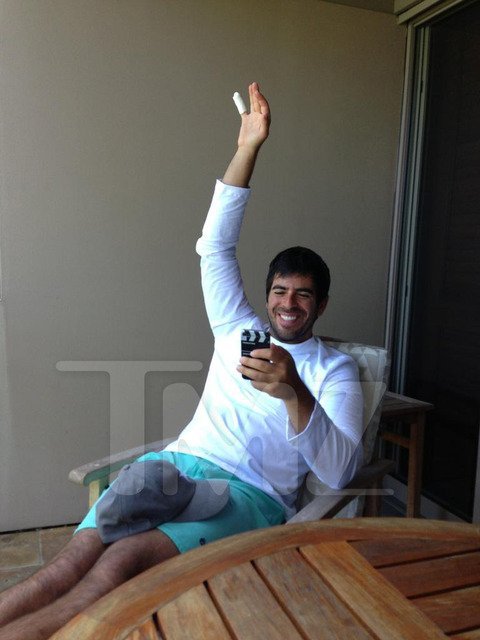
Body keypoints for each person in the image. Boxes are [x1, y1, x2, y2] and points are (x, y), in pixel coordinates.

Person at [0, 82, 363, 639]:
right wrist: (247, 148)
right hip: (177, 467)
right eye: (280, 291)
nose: (289, 304)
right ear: (266, 295)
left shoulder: (334, 371)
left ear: (322, 304)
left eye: (303, 295)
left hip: (249, 496)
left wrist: (295, 392)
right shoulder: (236, 328)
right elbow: (214, 247)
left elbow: (340, 472)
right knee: (72, 561)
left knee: (119, 566)